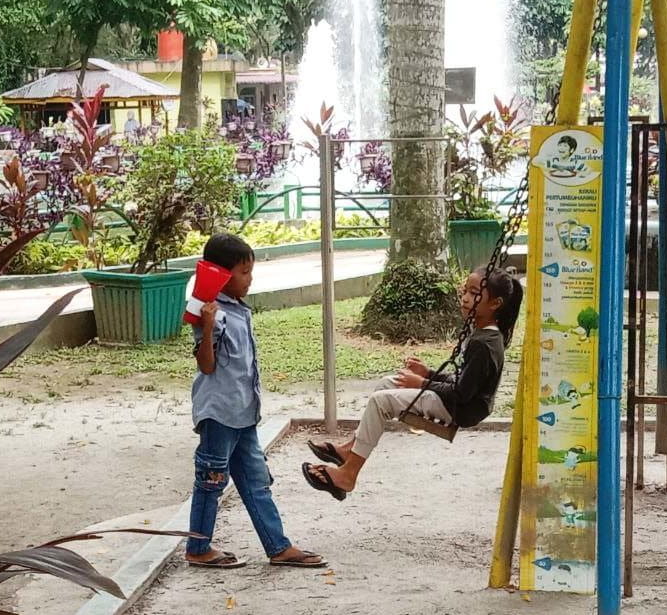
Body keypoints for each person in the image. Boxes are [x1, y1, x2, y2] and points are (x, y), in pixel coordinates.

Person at [301, 267, 523, 501]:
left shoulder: (484, 343)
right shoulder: (484, 334)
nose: (465, 298)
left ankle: (348, 475)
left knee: (380, 402)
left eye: (474, 293)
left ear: (495, 304)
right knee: (389, 383)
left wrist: (422, 383)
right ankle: (350, 449)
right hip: (458, 402)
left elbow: (461, 393)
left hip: (460, 409)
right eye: (465, 290)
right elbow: (463, 380)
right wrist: (427, 373)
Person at [185, 233, 327, 569]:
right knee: (211, 481)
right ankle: (198, 548)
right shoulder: (211, 312)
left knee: (256, 481)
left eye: (250, 271)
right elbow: (206, 365)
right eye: (244, 272)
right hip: (219, 414)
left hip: (244, 413)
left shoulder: (238, 310)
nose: (250, 279)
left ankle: (278, 546)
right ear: (220, 274)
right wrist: (206, 327)